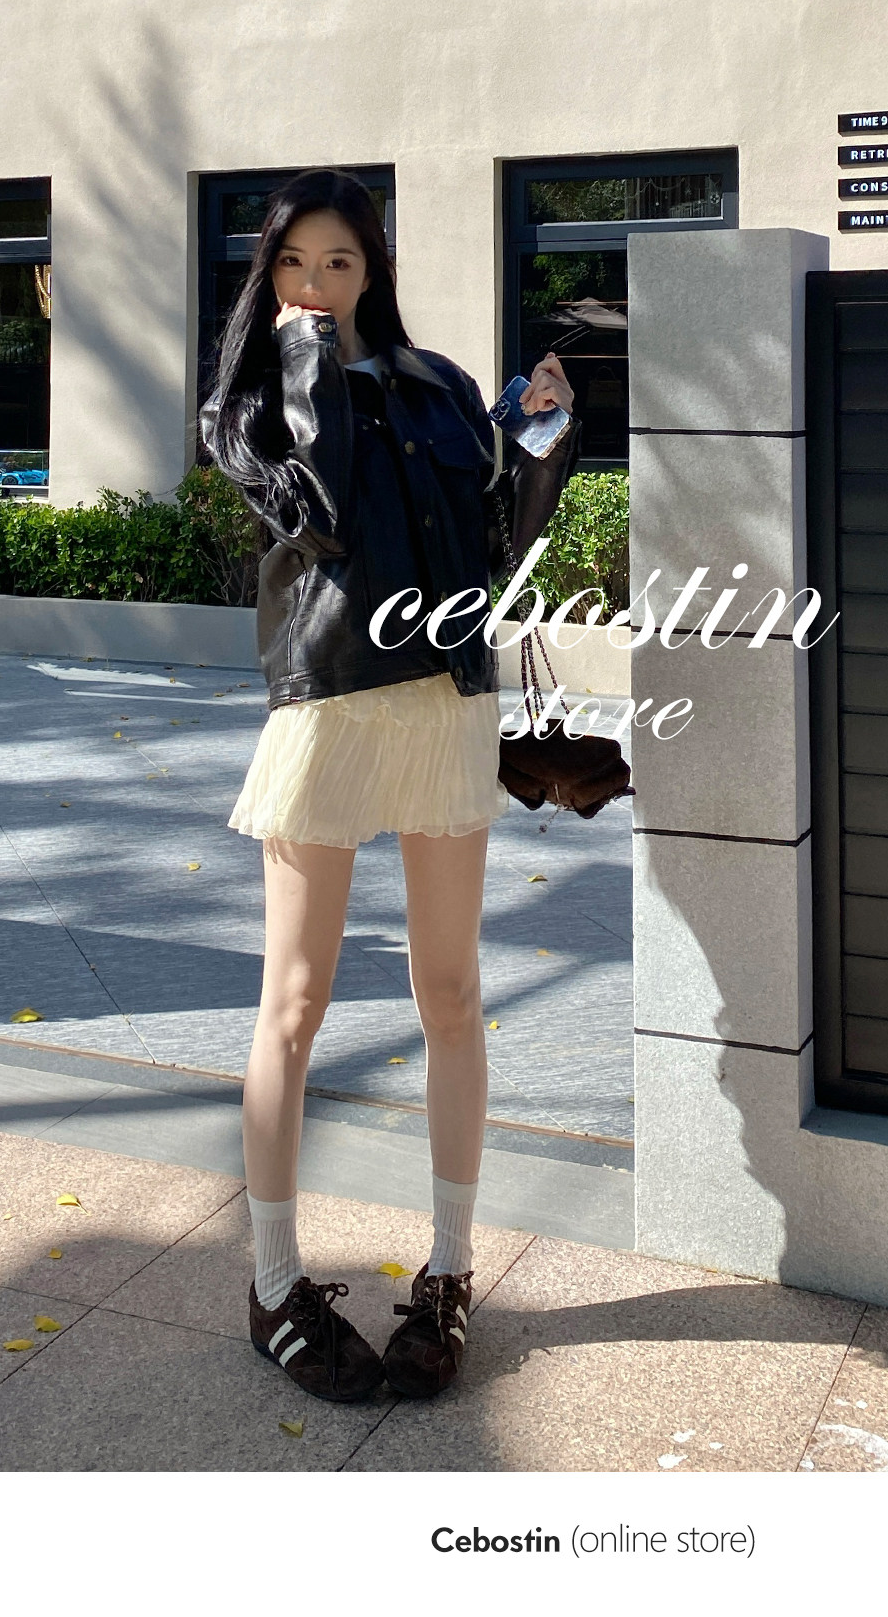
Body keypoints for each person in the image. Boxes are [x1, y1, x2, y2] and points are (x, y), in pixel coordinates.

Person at [200, 167, 579, 1405]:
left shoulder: (441, 388)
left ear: (375, 269)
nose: (316, 284)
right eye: (294, 263)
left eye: (340, 263)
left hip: (444, 704)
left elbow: (497, 546)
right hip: (328, 701)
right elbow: (320, 512)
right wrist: (310, 356)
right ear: (268, 273)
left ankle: (452, 1270)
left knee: (452, 992)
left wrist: (540, 440)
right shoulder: (252, 401)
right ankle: (272, 1284)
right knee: (296, 1002)